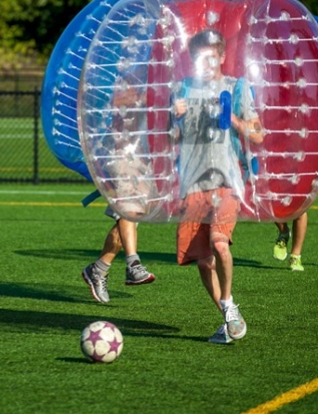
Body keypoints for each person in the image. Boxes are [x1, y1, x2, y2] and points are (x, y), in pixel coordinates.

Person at [172, 29, 263, 344]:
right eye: (200, 57)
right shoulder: (183, 89)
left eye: (212, 55)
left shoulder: (237, 87)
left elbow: (258, 135)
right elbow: (170, 139)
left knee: (219, 243)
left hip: (226, 182)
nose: (207, 61)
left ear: (222, 56)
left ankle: (228, 306)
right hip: (194, 184)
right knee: (203, 260)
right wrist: (175, 119)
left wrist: (234, 119)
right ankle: (227, 310)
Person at [82, 81, 155, 304]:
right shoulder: (126, 77)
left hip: (144, 158)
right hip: (121, 155)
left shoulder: (157, 75)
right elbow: (114, 103)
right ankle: (133, 263)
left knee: (131, 218)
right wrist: (144, 99)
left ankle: (99, 268)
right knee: (128, 210)